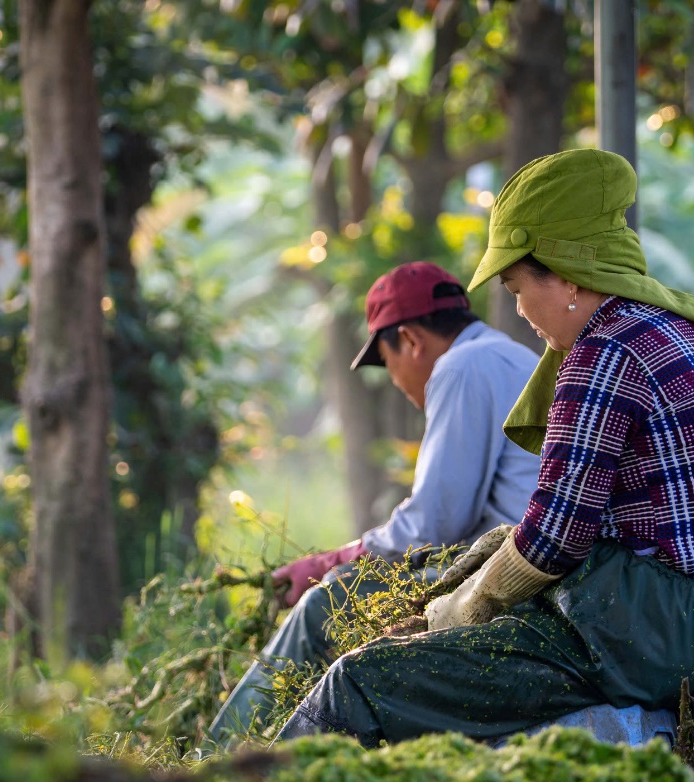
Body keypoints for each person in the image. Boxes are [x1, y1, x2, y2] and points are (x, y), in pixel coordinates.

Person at [277, 149, 694, 746]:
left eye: (515, 286)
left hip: (645, 633)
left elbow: (558, 535)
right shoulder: (675, 332)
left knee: (359, 682)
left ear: (566, 278)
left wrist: (462, 610)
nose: (517, 310)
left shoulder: (603, 352)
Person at [206, 261, 541, 744]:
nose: (399, 382)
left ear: (409, 339)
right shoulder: (510, 355)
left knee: (329, 601)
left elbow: (435, 523)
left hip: (509, 576)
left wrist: (339, 560)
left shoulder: (461, 367)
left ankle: (215, 759)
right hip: (518, 561)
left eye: (387, 363)